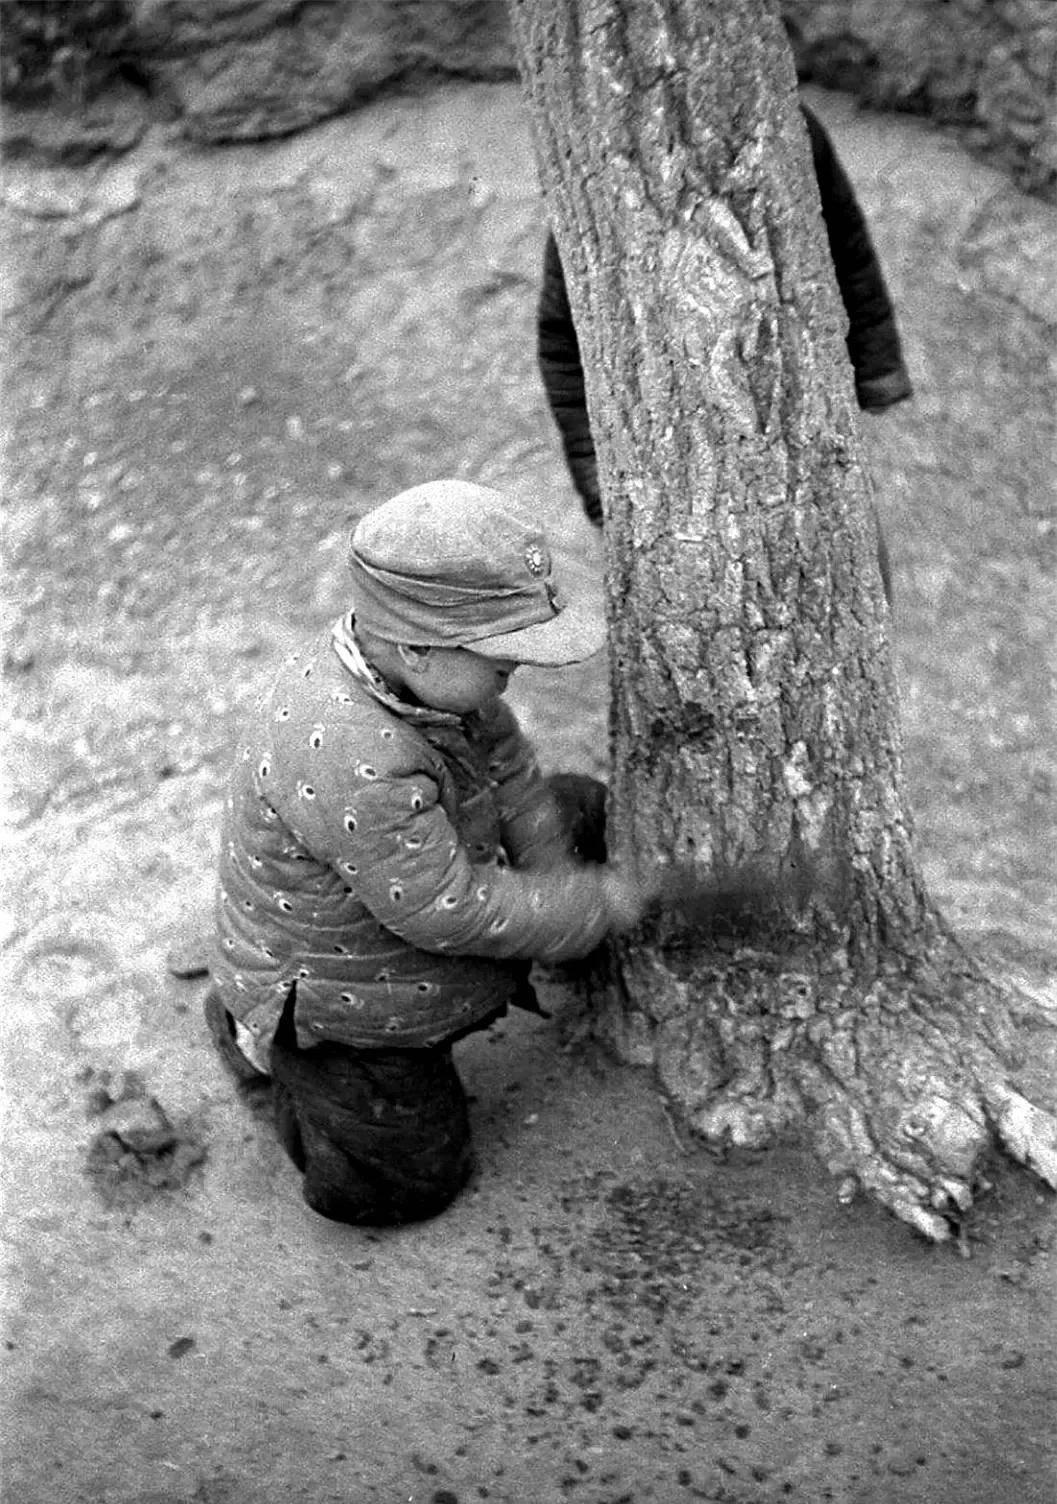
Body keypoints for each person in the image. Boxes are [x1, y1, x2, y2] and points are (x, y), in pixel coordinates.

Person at [204, 479, 652, 1227]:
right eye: (501, 657)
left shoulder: (428, 680)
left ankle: (545, 937)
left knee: (573, 807)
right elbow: (445, 911)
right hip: (345, 990)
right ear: (417, 646)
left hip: (421, 874)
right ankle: (270, 1046)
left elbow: (507, 767)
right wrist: (588, 907)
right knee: (403, 1183)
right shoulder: (352, 754)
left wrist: (552, 870)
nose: (515, 672)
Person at [537, 102, 913, 599]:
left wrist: (877, 372)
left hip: (801, 427)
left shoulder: (778, 122)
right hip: (675, 468)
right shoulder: (600, 170)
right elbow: (563, 344)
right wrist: (599, 486)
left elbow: (847, 248)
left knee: (849, 582)